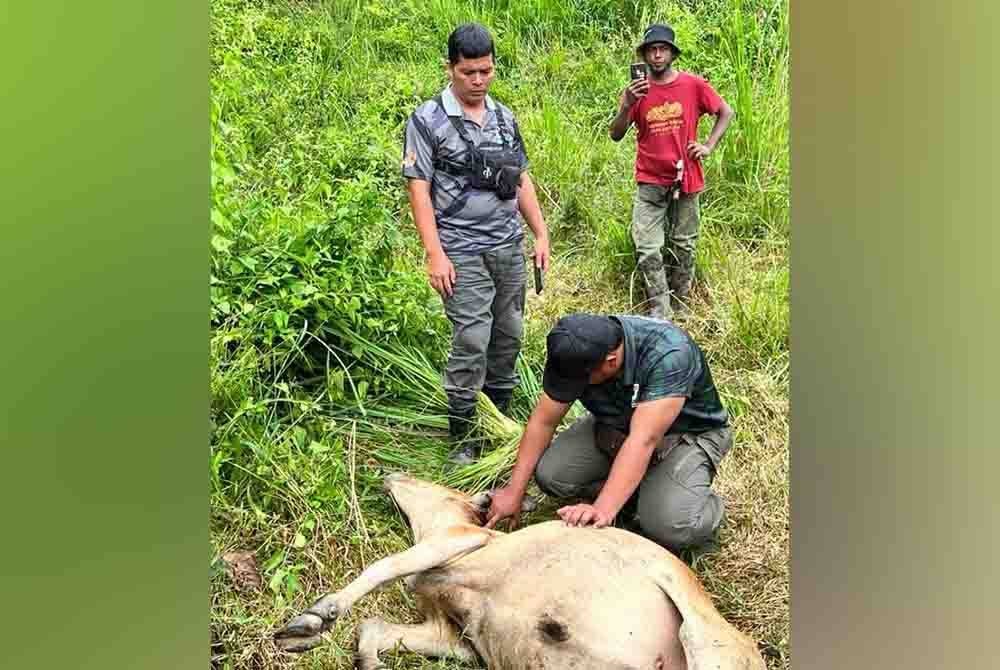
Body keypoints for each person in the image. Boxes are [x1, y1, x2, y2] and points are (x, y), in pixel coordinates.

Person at [402, 23, 550, 465]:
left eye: (486, 71)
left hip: (507, 245)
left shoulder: (504, 118)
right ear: (450, 68)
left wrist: (540, 232)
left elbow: (520, 178)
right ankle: (463, 436)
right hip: (461, 249)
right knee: (471, 338)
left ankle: (498, 423)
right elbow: (418, 189)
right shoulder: (428, 120)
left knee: (509, 335)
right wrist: (434, 253)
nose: (479, 80)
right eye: (469, 72)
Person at [485, 313, 733, 554]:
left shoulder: (670, 354)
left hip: (685, 435)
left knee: (670, 526)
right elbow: (543, 421)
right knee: (552, 475)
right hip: (618, 425)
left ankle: (693, 503)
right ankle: (639, 491)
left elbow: (643, 440)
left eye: (580, 382)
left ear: (611, 361)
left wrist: (602, 510)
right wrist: (513, 491)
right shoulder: (577, 346)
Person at [609, 23, 734, 319]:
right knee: (647, 247)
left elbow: (725, 112)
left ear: (672, 54)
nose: (657, 55)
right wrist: (627, 105)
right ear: (644, 55)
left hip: (686, 177)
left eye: (662, 49)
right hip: (650, 181)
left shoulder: (692, 85)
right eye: (651, 50)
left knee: (684, 245)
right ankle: (660, 309)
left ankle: (682, 305)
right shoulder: (635, 92)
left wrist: (708, 146)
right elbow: (615, 134)